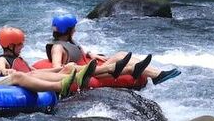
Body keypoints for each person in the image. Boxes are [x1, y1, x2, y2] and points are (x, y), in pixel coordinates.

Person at [47, 14, 181, 85]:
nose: (75, 29)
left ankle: (157, 73)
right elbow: (57, 68)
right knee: (127, 63)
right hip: (85, 74)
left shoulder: (67, 41)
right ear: (69, 29)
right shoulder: (58, 47)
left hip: (90, 69)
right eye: (73, 27)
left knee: (121, 54)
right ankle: (157, 76)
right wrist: (72, 70)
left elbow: (77, 49)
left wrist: (89, 53)